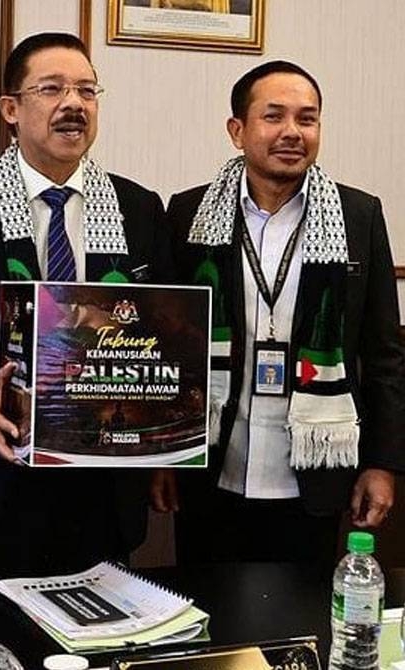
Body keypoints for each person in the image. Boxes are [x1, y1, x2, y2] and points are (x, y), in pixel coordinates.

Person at [0, 32, 169, 582]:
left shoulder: (139, 209)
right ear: (11, 109)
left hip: (101, 493)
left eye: (86, 91)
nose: (74, 104)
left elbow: (162, 335)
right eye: (52, 89)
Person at [150, 61, 405, 572]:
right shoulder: (189, 214)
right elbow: (168, 348)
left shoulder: (357, 216)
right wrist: (162, 457)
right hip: (211, 468)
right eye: (274, 117)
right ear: (237, 130)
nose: (292, 132)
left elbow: (384, 354)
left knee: (301, 612)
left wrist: (382, 464)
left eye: (307, 119)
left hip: (314, 473)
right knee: (209, 608)